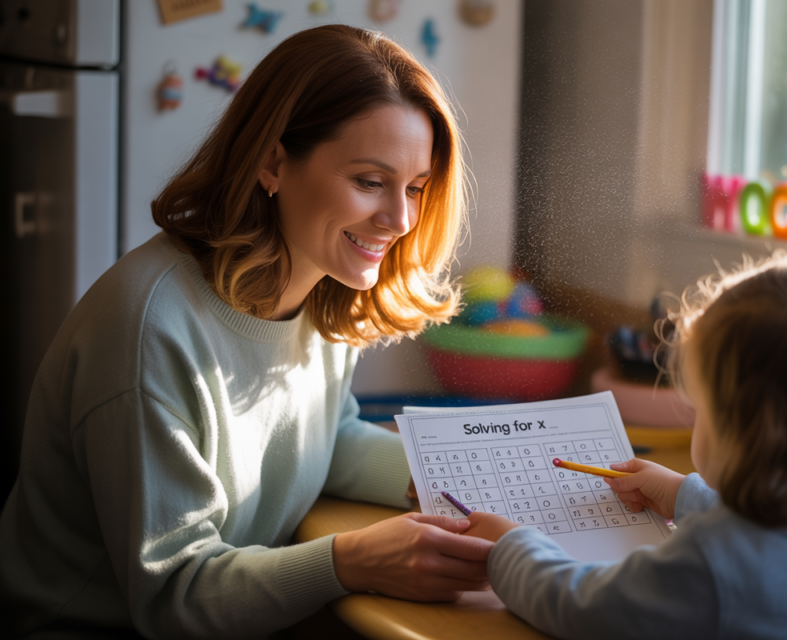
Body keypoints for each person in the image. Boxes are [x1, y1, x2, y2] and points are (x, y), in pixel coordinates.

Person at [0, 25, 494, 638]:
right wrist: (354, 561)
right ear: (272, 162)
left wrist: (474, 478)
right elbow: (174, 596)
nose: (400, 219)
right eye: (370, 182)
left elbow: (324, 440)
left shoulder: (322, 287)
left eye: (415, 188)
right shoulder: (149, 330)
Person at [464, 247, 787, 639]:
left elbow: (579, 605)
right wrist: (681, 494)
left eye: (700, 410)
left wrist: (511, 547)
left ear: (749, 428)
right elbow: (774, 536)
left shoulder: (712, 558)